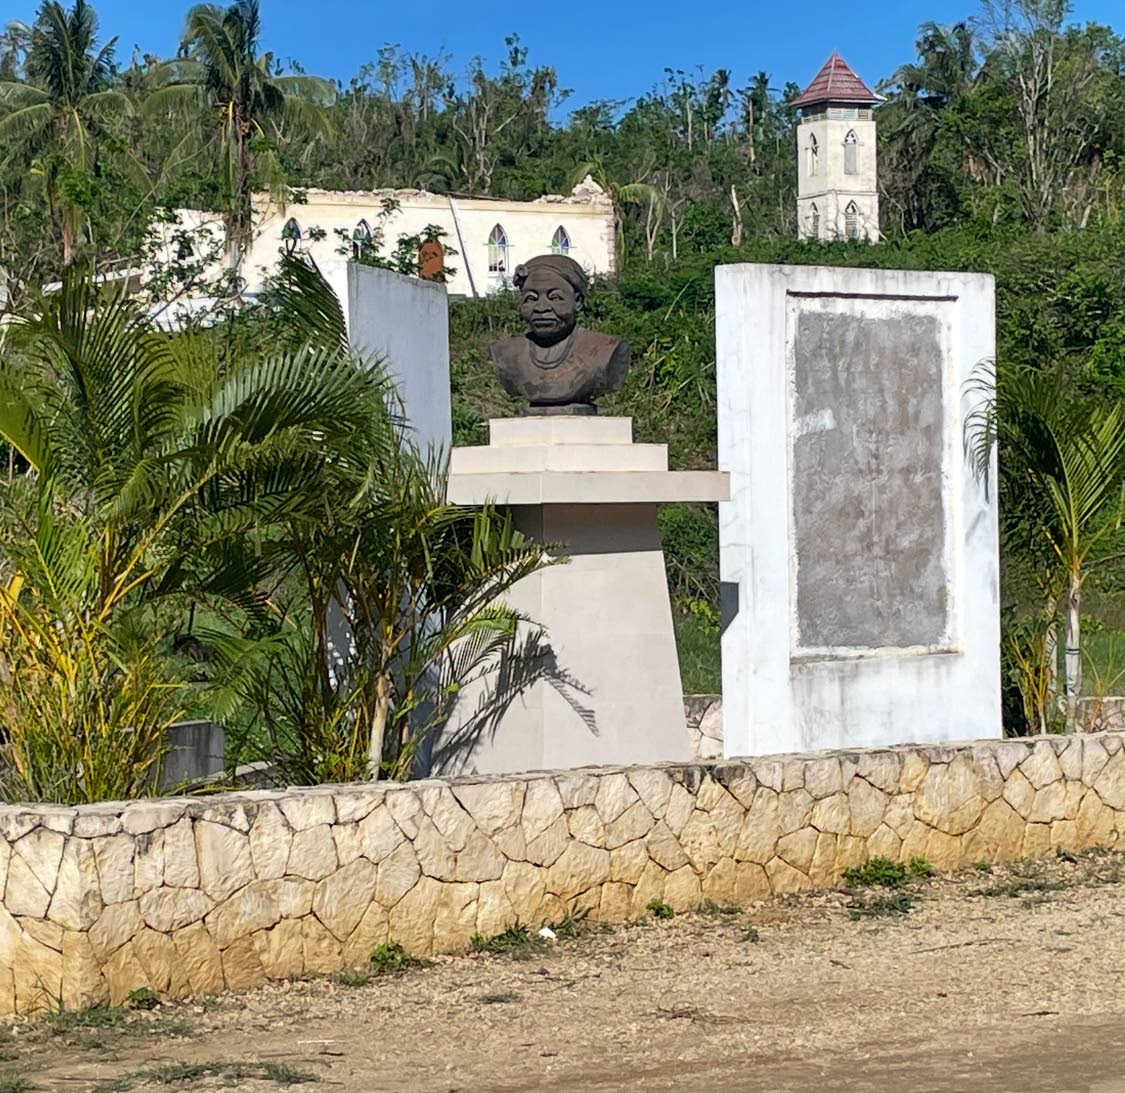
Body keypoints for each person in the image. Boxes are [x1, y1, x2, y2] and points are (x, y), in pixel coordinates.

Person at [490, 254, 630, 414]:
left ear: (578, 301)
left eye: (555, 297)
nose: (541, 308)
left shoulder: (605, 350)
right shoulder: (506, 355)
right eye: (531, 298)